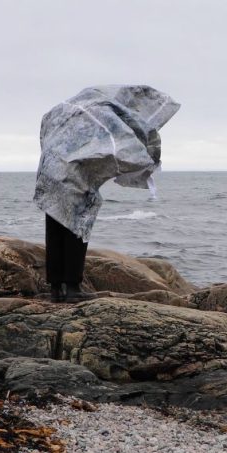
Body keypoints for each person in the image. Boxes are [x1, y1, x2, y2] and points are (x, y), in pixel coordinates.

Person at [33, 85, 180, 302]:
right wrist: (150, 159)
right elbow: (129, 134)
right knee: (78, 227)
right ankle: (72, 287)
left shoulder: (65, 109)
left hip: (49, 169)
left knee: (55, 227)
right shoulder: (101, 111)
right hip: (72, 173)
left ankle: (56, 288)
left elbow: (46, 131)